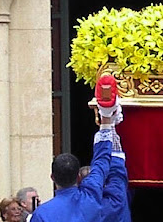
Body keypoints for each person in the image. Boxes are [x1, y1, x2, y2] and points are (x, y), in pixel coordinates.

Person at [31, 76, 121, 222]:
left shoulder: (41, 214)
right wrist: (106, 119)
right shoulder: (90, 197)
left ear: (52, 177)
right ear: (79, 177)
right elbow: (101, 163)